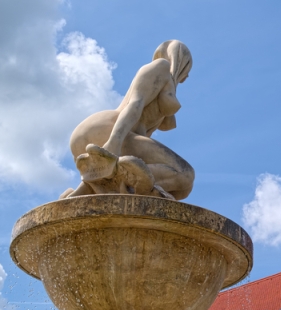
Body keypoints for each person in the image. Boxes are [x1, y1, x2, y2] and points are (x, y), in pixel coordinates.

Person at [62, 40, 195, 200]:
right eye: (188, 65)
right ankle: (115, 179)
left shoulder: (168, 82)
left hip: (99, 135)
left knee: (180, 190)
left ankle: (87, 189)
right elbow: (135, 104)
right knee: (185, 175)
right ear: (181, 60)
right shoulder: (161, 67)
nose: (187, 75)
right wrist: (114, 142)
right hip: (108, 128)